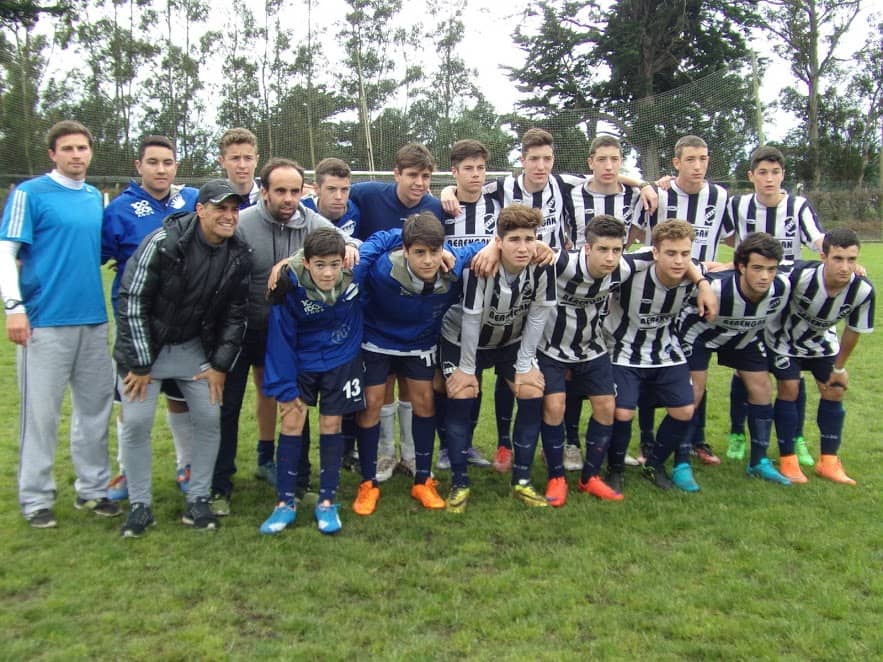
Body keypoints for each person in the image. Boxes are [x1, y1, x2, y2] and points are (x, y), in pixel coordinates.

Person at [212, 158, 359, 517]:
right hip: (240, 329)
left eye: (295, 191)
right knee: (228, 408)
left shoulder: (313, 222)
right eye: (280, 191)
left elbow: (348, 244)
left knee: (295, 405)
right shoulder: (243, 224)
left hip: (289, 334)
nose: (289, 198)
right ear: (263, 192)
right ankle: (220, 486)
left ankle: (296, 483)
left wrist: (299, 258)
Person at [114, 179, 252, 537]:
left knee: (209, 416)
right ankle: (140, 506)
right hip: (147, 348)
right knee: (137, 422)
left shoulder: (238, 253)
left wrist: (220, 365)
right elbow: (132, 300)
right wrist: (141, 363)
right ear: (200, 209)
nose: (229, 215)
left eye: (235, 209)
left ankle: (199, 498)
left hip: (190, 347)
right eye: (221, 208)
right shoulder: (162, 242)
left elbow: (237, 315)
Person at [0, 120, 120, 528]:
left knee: (95, 411)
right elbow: (6, 251)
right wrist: (13, 307)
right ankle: (36, 498)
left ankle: (94, 489)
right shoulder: (30, 194)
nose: (76, 155)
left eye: (82, 148)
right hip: (43, 323)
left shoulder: (92, 198)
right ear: (53, 154)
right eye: (67, 148)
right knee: (41, 414)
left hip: (92, 320)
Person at [352, 212, 485, 515]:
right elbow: (372, 246)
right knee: (372, 403)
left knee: (425, 401)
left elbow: (482, 245)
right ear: (406, 250)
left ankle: (423, 479)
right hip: (377, 340)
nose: (428, 260)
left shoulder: (452, 264)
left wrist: (486, 248)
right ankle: (368, 482)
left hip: (419, 344)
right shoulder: (382, 270)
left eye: (434, 252)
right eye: (419, 253)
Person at [439, 204, 557, 511]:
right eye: (514, 239)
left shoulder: (544, 265)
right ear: (499, 241)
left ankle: (522, 480)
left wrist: (524, 365)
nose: (523, 247)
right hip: (465, 340)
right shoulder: (481, 266)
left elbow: (538, 315)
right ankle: (460, 483)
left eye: (529, 239)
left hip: (509, 341)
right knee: (463, 393)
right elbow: (471, 319)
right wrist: (466, 369)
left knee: (531, 390)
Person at [102, 135, 199, 499]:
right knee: (132, 401)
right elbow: (102, 254)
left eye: (168, 162)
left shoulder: (190, 201)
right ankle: (126, 472)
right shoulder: (118, 209)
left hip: (181, 324)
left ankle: (186, 464)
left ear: (176, 166)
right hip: (136, 324)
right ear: (138, 166)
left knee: (182, 397)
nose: (161, 169)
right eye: (153, 162)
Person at [538, 215, 655, 502]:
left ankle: (590, 477)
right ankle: (556, 478)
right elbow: (524, 250)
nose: (611, 257)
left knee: (606, 407)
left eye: (617, 250)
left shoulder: (623, 268)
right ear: (587, 248)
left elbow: (659, 253)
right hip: (550, 348)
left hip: (592, 348)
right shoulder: (561, 263)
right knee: (555, 406)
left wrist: (701, 281)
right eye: (603, 249)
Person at [635, 135, 734, 465]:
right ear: (676, 163)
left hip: (701, 293)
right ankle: (647, 440)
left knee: (695, 370)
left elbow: (737, 239)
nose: (698, 166)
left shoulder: (720, 196)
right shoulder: (659, 193)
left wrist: (730, 265)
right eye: (690, 159)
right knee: (650, 363)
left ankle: (696, 439)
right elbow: (636, 235)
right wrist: (645, 184)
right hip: (661, 291)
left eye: (703, 159)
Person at [349, 143, 444, 482]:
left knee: (416, 390)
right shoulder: (368, 193)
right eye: (412, 175)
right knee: (380, 390)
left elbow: (443, 245)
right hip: (377, 307)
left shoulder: (435, 206)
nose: (419, 183)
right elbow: (337, 192)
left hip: (417, 315)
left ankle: (411, 455)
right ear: (396, 174)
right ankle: (385, 453)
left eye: (426, 177)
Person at [260, 229, 365, 535]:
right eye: (320, 265)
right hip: (301, 361)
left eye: (334, 263)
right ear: (305, 263)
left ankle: (327, 501)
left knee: (331, 425)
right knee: (292, 421)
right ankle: (285, 503)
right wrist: (284, 385)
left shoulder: (358, 269)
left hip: (340, 360)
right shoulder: (287, 284)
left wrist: (354, 244)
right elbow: (280, 337)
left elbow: (391, 238)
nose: (329, 272)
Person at [724, 145, 825, 465]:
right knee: (746, 368)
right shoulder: (737, 205)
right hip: (751, 299)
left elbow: (817, 239)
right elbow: (723, 236)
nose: (769, 179)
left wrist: (837, 254)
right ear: (751, 176)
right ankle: (737, 433)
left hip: (789, 299)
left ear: (783, 175)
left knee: (790, 370)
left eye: (776, 172)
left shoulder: (797, 206)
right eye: (763, 173)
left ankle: (795, 436)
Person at [603, 219, 716, 493]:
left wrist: (703, 284)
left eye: (685, 254)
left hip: (665, 350)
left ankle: (654, 464)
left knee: (684, 409)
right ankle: (614, 469)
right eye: (671, 253)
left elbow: (705, 272)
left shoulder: (695, 275)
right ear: (655, 252)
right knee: (623, 411)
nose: (679, 261)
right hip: (622, 348)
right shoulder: (631, 268)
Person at [557, 134, 649, 471]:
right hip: (573, 288)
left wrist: (645, 184)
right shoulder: (571, 189)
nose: (609, 166)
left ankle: (610, 445)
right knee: (569, 375)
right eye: (602, 159)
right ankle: (570, 442)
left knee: (604, 375)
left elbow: (646, 243)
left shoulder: (636, 196)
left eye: (615, 159)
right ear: (590, 162)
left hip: (613, 295)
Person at [679, 232, 792, 485]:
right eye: (757, 268)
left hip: (744, 337)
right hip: (700, 335)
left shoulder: (782, 287)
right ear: (740, 266)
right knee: (693, 392)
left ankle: (759, 461)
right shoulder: (717, 286)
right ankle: (681, 460)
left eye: (771, 269)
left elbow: (812, 266)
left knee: (762, 387)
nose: (764, 276)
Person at [765, 228, 874, 485]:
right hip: (784, 341)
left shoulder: (863, 291)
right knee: (789, 388)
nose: (845, 267)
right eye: (838, 258)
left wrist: (839, 368)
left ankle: (829, 462)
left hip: (822, 345)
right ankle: (788, 459)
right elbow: (765, 267)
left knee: (834, 390)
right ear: (823, 256)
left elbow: (853, 330)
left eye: (851, 259)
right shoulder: (800, 274)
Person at [302, 157, 360, 238]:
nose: (339, 197)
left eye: (344, 189)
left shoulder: (355, 213)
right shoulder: (300, 210)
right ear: (316, 189)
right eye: (331, 189)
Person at [218, 127, 260, 207]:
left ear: (256, 160)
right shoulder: (211, 203)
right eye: (235, 158)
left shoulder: (269, 199)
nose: (242, 165)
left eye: (248, 158)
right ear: (222, 161)